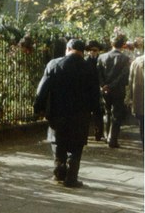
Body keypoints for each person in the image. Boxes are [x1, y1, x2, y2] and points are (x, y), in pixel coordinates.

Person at [33, 39, 100, 188]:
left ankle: (59, 172)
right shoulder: (89, 68)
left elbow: (42, 89)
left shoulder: (54, 64)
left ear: (68, 48)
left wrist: (38, 108)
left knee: (58, 142)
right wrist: (98, 118)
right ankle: (72, 177)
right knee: (77, 146)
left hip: (58, 112)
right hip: (80, 115)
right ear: (83, 52)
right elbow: (95, 96)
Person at [97, 34, 131, 148]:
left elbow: (99, 73)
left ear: (112, 44)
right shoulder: (125, 59)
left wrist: (103, 85)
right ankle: (113, 139)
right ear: (122, 45)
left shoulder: (102, 57)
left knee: (107, 112)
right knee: (116, 114)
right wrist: (111, 85)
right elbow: (123, 75)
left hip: (105, 89)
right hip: (118, 90)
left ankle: (107, 136)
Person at [86, 40, 105, 141]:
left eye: (94, 50)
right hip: (87, 92)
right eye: (90, 50)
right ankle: (85, 133)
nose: (92, 52)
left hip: (97, 92)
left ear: (98, 51)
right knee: (86, 114)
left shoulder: (101, 61)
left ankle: (98, 134)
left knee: (98, 114)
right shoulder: (84, 62)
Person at [126, 53, 144, 146]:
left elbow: (130, 82)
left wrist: (129, 98)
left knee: (142, 125)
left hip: (140, 100)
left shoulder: (136, 62)